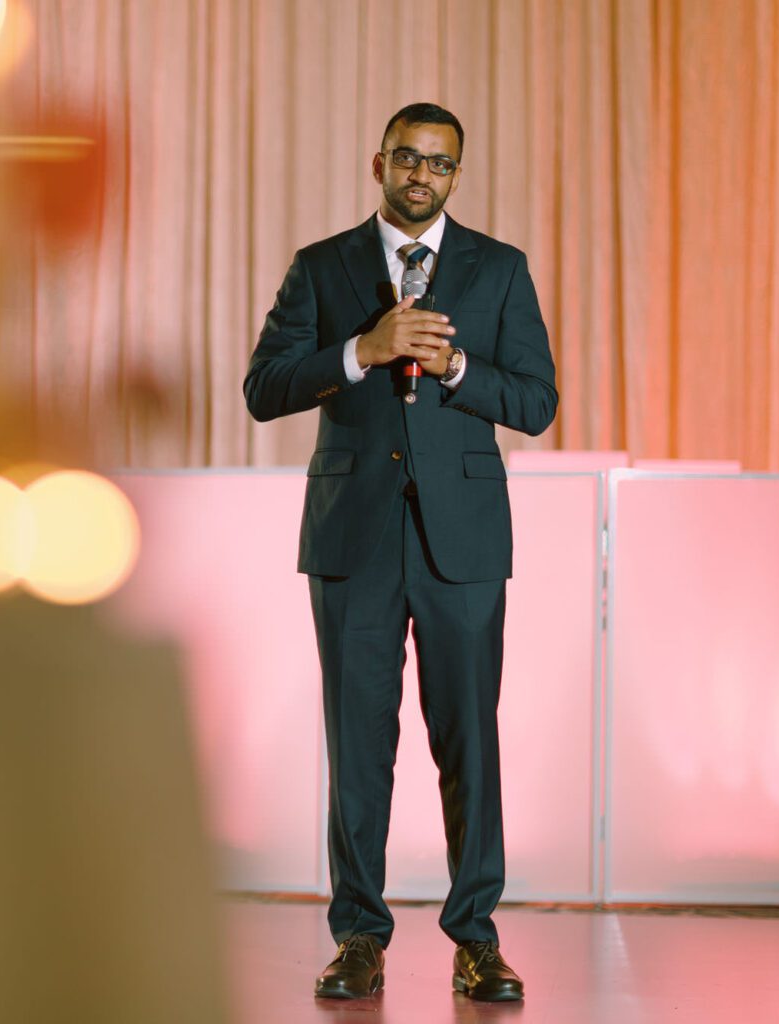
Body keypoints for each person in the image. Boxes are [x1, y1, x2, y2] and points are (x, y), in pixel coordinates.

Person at [243, 102, 557, 1002]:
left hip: (465, 542)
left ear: (457, 173)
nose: (424, 175)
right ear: (379, 163)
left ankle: (477, 939)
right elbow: (264, 388)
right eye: (409, 158)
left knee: (470, 743)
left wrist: (456, 369)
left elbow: (536, 402)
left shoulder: (500, 268)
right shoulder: (321, 266)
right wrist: (361, 350)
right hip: (355, 538)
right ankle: (359, 937)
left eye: (441, 163)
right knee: (358, 746)